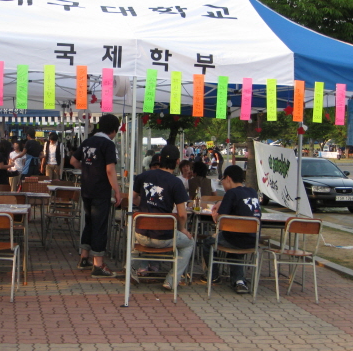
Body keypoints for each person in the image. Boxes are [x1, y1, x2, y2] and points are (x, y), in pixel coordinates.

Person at [132, 145, 195, 291]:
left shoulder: (143, 176)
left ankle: (131, 268)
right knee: (189, 243)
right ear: (178, 162)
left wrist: (144, 205)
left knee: (132, 231)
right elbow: (182, 214)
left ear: (159, 159)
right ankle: (171, 280)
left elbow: (132, 198)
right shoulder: (176, 183)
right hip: (164, 237)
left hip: (141, 235)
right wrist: (182, 229)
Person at [70, 114, 122, 278]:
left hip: (86, 189)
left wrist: (86, 169)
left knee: (90, 222)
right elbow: (110, 170)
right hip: (100, 190)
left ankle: (84, 258)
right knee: (100, 225)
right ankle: (98, 265)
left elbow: (73, 161)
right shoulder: (108, 144)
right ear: (113, 130)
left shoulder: (88, 141)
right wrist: (117, 191)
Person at [201, 164, 261, 294]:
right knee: (234, 250)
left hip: (234, 238)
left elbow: (221, 220)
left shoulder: (231, 193)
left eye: (222, 179)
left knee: (208, 242)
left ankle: (213, 276)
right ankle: (239, 281)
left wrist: (215, 215)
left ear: (228, 178)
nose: (222, 183)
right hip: (253, 239)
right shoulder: (252, 192)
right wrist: (222, 202)